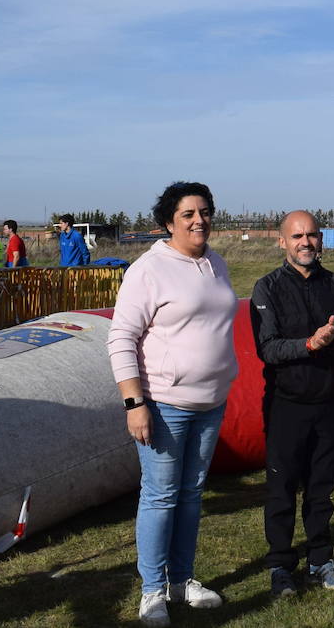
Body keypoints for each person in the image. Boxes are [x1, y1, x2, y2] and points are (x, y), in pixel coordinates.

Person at [107, 182, 238, 627]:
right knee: (161, 497)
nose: (199, 220)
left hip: (210, 403)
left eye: (204, 212)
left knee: (191, 495)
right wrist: (133, 402)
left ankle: (181, 580)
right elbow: (121, 337)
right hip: (164, 404)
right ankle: (151, 592)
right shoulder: (150, 269)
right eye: (188, 214)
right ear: (168, 221)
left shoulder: (215, 264)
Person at [252, 211, 334, 597]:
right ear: (282, 242)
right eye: (297, 236)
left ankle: (321, 560)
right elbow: (267, 348)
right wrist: (309, 344)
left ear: (321, 240)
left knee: (321, 489)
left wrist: (333, 339)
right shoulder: (266, 289)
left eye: (312, 235)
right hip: (286, 404)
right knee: (281, 490)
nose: (306, 243)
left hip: (328, 402)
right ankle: (281, 565)